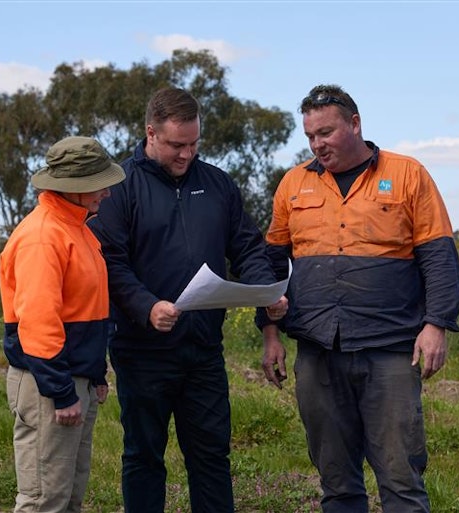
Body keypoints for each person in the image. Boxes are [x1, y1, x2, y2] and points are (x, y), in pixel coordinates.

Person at [256, 84, 459, 513]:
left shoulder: (408, 174)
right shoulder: (293, 183)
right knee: (335, 480)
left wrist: (436, 324)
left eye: (326, 133)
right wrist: (270, 333)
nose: (317, 144)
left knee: (401, 477)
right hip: (317, 350)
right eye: (310, 136)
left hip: (390, 349)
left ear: (354, 124)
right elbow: (271, 265)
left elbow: (439, 257)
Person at [89, 86, 288, 513]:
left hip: (203, 352)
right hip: (142, 351)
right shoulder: (118, 187)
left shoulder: (217, 184)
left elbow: (248, 248)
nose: (187, 154)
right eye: (177, 145)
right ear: (151, 133)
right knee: (143, 457)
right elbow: (109, 262)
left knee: (212, 457)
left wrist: (265, 292)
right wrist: (146, 306)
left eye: (194, 144)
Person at [0, 136, 126, 513]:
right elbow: (38, 321)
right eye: (98, 184)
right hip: (50, 385)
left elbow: (88, 310)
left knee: (68, 497)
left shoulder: (79, 231)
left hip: (74, 380)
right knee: (44, 501)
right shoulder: (43, 237)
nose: (106, 192)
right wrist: (61, 391)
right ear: (73, 186)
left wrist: (96, 374)